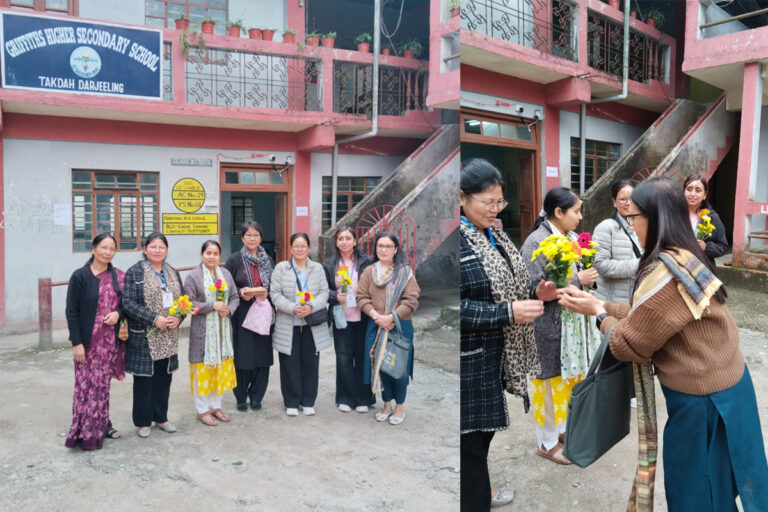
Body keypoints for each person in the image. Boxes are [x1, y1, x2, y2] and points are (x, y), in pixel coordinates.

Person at [558, 177, 768, 511]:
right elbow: (653, 318)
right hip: (728, 387)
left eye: (633, 217)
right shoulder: (684, 255)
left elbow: (629, 343)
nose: (631, 224)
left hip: (705, 403)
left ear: (654, 219)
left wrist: (599, 313)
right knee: (724, 479)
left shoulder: (666, 274)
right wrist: (602, 305)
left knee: (698, 492)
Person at [459, 159, 554, 511]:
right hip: (469, 364)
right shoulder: (459, 241)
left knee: (478, 445)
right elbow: (460, 307)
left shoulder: (495, 234)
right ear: (463, 198)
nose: (496, 209)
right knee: (469, 447)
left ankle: (479, 492)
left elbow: (510, 284)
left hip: (494, 359)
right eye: (488, 202)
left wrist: (535, 292)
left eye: (500, 202)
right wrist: (508, 312)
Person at [520, 187, 600, 465]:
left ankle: (562, 430)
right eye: (576, 211)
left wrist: (588, 277)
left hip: (571, 327)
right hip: (548, 328)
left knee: (567, 382)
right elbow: (531, 288)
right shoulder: (537, 242)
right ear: (558, 212)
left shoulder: (571, 238)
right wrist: (579, 279)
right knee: (548, 384)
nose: (580, 217)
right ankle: (546, 442)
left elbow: (578, 275)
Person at [64, 233, 126, 449]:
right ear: (93, 249)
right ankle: (83, 432)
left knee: (101, 387)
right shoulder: (80, 276)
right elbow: (71, 312)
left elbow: (125, 305)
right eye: (103, 248)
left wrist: (118, 314)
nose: (108, 252)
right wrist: (77, 343)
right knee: (84, 387)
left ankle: (102, 425)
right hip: (87, 343)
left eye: (112, 249)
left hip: (109, 343)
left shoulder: (119, 276)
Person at [123, 232, 186, 438]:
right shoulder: (135, 272)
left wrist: (179, 317)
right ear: (145, 249)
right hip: (145, 335)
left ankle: (161, 417)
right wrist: (153, 319)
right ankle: (143, 421)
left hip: (168, 336)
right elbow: (128, 303)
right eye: (153, 247)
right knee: (144, 380)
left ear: (166, 250)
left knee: (163, 378)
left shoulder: (173, 272)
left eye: (161, 247)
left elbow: (183, 301)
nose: (157, 251)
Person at [357, 231, 420, 426]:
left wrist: (391, 317)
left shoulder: (404, 273)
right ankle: (386, 405)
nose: (383, 249)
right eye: (380, 246)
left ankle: (399, 406)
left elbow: (411, 299)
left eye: (388, 246)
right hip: (375, 326)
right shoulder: (369, 271)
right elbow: (361, 297)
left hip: (400, 326)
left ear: (395, 249)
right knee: (380, 366)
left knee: (398, 367)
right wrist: (377, 317)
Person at [270, 233, 331, 416]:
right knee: (289, 363)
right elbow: (275, 294)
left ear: (308, 248)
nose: (300, 249)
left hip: (312, 324)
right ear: (290, 248)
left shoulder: (317, 268)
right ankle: (291, 401)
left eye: (303, 246)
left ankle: (308, 400)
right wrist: (293, 308)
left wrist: (311, 307)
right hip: (289, 323)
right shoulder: (281, 268)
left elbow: (324, 292)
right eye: (296, 246)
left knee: (311, 363)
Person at [184, 240, 240, 426]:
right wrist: (212, 305)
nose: (212, 256)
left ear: (219, 256)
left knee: (220, 370)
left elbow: (234, 297)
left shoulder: (225, 274)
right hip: (203, 333)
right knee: (203, 371)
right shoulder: (193, 276)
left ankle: (216, 406)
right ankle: (202, 410)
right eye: (208, 253)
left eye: (215, 253)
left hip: (223, 331)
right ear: (202, 255)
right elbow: (188, 304)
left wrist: (229, 309)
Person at [322, 226, 375, 413]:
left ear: (354, 241)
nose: (344, 241)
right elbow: (323, 290)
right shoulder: (330, 264)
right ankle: (345, 397)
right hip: (341, 317)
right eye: (340, 238)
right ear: (336, 242)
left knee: (362, 358)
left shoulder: (366, 261)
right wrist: (335, 295)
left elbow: (375, 286)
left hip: (363, 316)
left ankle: (363, 397)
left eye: (347, 238)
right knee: (343, 358)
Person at [224, 221, 275, 412]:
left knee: (262, 357)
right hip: (242, 315)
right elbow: (225, 286)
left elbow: (274, 285)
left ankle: (257, 396)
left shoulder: (268, 260)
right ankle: (240, 396)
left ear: (260, 237)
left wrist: (267, 291)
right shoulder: (235, 260)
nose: (252, 238)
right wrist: (240, 291)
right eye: (248, 235)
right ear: (242, 238)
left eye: (256, 235)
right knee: (243, 357)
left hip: (263, 313)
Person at [593, 179, 642, 304]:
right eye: (623, 199)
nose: (628, 203)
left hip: (636, 298)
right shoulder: (606, 227)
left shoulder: (642, 226)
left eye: (632, 198)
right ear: (614, 202)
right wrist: (639, 264)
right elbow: (600, 265)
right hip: (612, 301)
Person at [683, 173, 728, 267]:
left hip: (702, 270)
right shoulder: (675, 214)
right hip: (677, 268)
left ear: (705, 195)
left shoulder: (712, 217)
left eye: (698, 190)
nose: (692, 194)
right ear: (683, 192)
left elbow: (723, 246)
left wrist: (706, 247)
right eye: (689, 189)